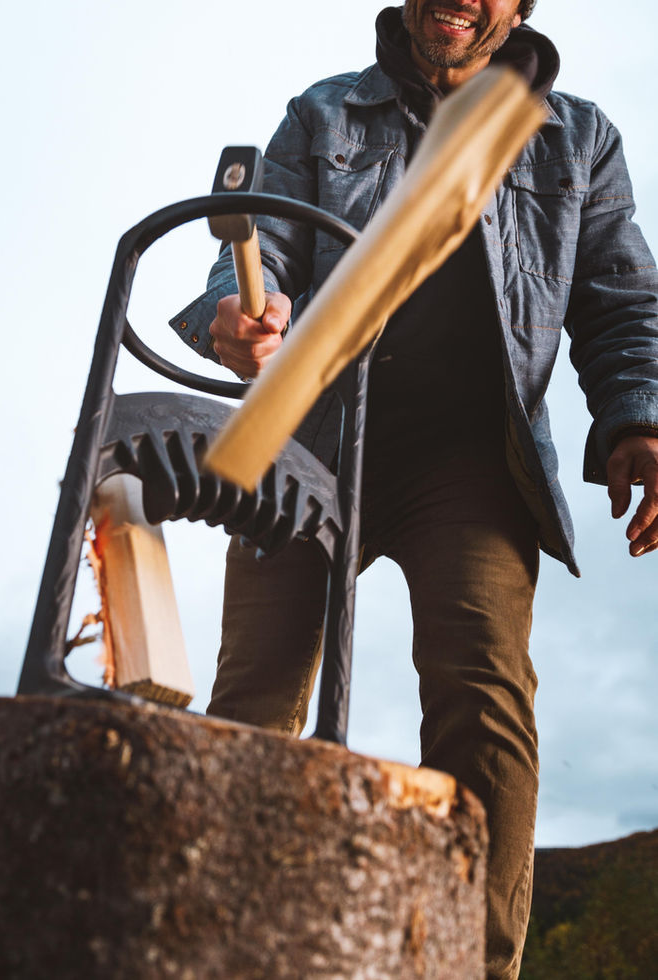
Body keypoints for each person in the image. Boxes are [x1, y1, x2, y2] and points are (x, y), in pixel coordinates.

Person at [171, 3, 658, 978]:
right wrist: (238, 312)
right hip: (310, 436)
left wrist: (638, 418)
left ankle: (475, 964)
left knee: (482, 689)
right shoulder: (322, 115)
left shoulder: (576, 138)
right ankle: (213, 952)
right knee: (252, 699)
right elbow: (258, 248)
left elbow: (619, 300)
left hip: (474, 459)